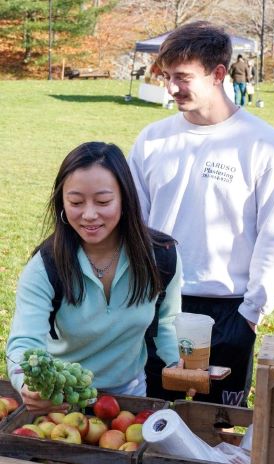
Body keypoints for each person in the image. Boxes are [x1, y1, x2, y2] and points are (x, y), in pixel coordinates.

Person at [128, 22, 274, 406]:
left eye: (183, 77)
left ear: (219, 74)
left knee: (219, 427)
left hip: (228, 310)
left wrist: (251, 313)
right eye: (168, 77)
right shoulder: (152, 140)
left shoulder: (265, 146)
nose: (172, 88)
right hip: (157, 303)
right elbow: (132, 224)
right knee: (151, 418)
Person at [6, 141, 182, 412]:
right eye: (76, 202)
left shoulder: (161, 257)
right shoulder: (45, 267)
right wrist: (25, 383)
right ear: (62, 202)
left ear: (125, 199)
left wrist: (177, 365)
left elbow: (168, 323)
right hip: (62, 404)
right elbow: (24, 341)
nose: (89, 215)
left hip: (130, 400)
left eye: (103, 201)